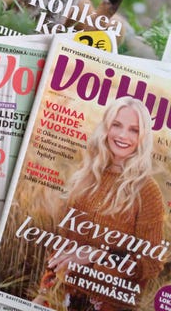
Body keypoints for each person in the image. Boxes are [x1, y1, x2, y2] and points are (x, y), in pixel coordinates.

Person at [34, 97, 165, 311]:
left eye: (134, 130)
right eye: (116, 125)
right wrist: (44, 293)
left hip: (106, 304)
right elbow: (62, 245)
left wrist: (97, 255)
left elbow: (151, 263)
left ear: (143, 136)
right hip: (63, 298)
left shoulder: (147, 190)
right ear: (106, 128)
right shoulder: (86, 175)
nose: (123, 135)